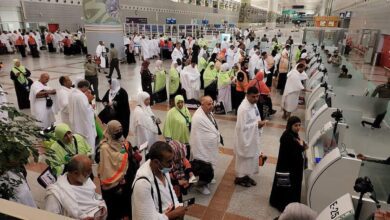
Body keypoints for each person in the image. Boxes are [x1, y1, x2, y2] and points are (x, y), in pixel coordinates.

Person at [131, 141, 187, 220]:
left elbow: (171, 192)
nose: (173, 165)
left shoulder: (163, 169)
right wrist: (173, 214)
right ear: (156, 162)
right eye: (169, 161)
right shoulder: (142, 184)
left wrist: (178, 207)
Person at [98, 120, 139, 220]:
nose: (120, 132)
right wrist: (124, 155)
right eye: (117, 130)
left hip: (126, 182)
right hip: (112, 186)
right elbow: (107, 167)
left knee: (127, 206)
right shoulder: (104, 147)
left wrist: (134, 153)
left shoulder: (123, 142)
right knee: (114, 212)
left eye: (121, 129)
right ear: (110, 131)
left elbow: (128, 155)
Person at [45, 155, 107, 219]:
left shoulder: (86, 180)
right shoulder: (55, 193)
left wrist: (102, 207)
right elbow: (50, 217)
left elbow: (95, 198)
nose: (90, 175)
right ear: (76, 173)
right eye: (87, 172)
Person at [269, 116, 307, 212]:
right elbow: (294, 152)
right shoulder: (287, 137)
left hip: (288, 167)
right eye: (295, 125)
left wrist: (301, 145)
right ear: (290, 126)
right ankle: (283, 205)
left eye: (299, 125)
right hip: (287, 168)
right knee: (286, 187)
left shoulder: (292, 134)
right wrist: (302, 146)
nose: (298, 127)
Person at [234, 87, 267, 187]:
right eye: (253, 97)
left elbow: (256, 117)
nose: (256, 99)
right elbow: (242, 127)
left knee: (251, 159)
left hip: (252, 136)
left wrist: (258, 124)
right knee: (244, 160)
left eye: (257, 96)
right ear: (247, 95)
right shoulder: (244, 109)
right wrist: (257, 125)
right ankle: (239, 178)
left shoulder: (253, 104)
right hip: (245, 139)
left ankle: (247, 176)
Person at [190, 96, 221, 195]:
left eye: (212, 103)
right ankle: (200, 185)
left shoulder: (209, 113)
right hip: (201, 148)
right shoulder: (198, 117)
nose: (211, 106)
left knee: (210, 164)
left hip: (209, 148)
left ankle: (208, 178)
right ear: (202, 104)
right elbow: (198, 136)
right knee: (204, 166)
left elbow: (212, 127)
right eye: (208, 104)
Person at [68, 80, 97, 150]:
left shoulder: (72, 93)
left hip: (74, 122)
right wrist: (91, 107)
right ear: (84, 87)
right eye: (87, 88)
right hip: (83, 125)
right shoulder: (81, 96)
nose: (87, 90)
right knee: (88, 144)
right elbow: (86, 111)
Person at [130, 92, 160, 157]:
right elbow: (140, 130)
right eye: (146, 100)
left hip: (151, 136)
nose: (149, 102)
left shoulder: (146, 107)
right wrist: (145, 143)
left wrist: (155, 120)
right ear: (141, 100)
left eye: (149, 99)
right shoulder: (138, 112)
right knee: (145, 155)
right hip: (145, 139)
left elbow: (151, 116)